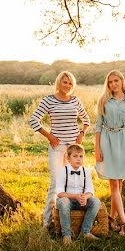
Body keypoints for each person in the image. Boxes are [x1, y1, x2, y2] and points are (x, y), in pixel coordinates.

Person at [29, 70, 91, 227]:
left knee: (73, 182)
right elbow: (34, 120)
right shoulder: (48, 100)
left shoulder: (75, 100)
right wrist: (49, 136)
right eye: (65, 82)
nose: (68, 85)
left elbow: (86, 120)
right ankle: (47, 222)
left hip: (74, 150)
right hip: (57, 147)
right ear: (59, 83)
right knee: (56, 183)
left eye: (70, 83)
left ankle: (68, 218)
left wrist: (81, 134)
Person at [94, 70, 125, 236]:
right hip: (107, 141)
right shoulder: (104, 101)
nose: (113, 84)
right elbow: (98, 126)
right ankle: (124, 223)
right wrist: (97, 148)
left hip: (123, 143)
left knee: (119, 185)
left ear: (122, 81)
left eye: (116, 81)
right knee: (114, 184)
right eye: (110, 82)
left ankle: (111, 218)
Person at [54, 144, 101, 244]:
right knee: (64, 201)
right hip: (66, 200)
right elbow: (59, 192)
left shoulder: (86, 171)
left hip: (81, 201)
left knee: (95, 201)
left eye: (81, 156)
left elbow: (90, 190)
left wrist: (85, 197)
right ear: (68, 158)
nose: (78, 159)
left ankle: (85, 232)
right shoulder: (63, 171)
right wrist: (75, 196)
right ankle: (67, 235)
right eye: (75, 156)